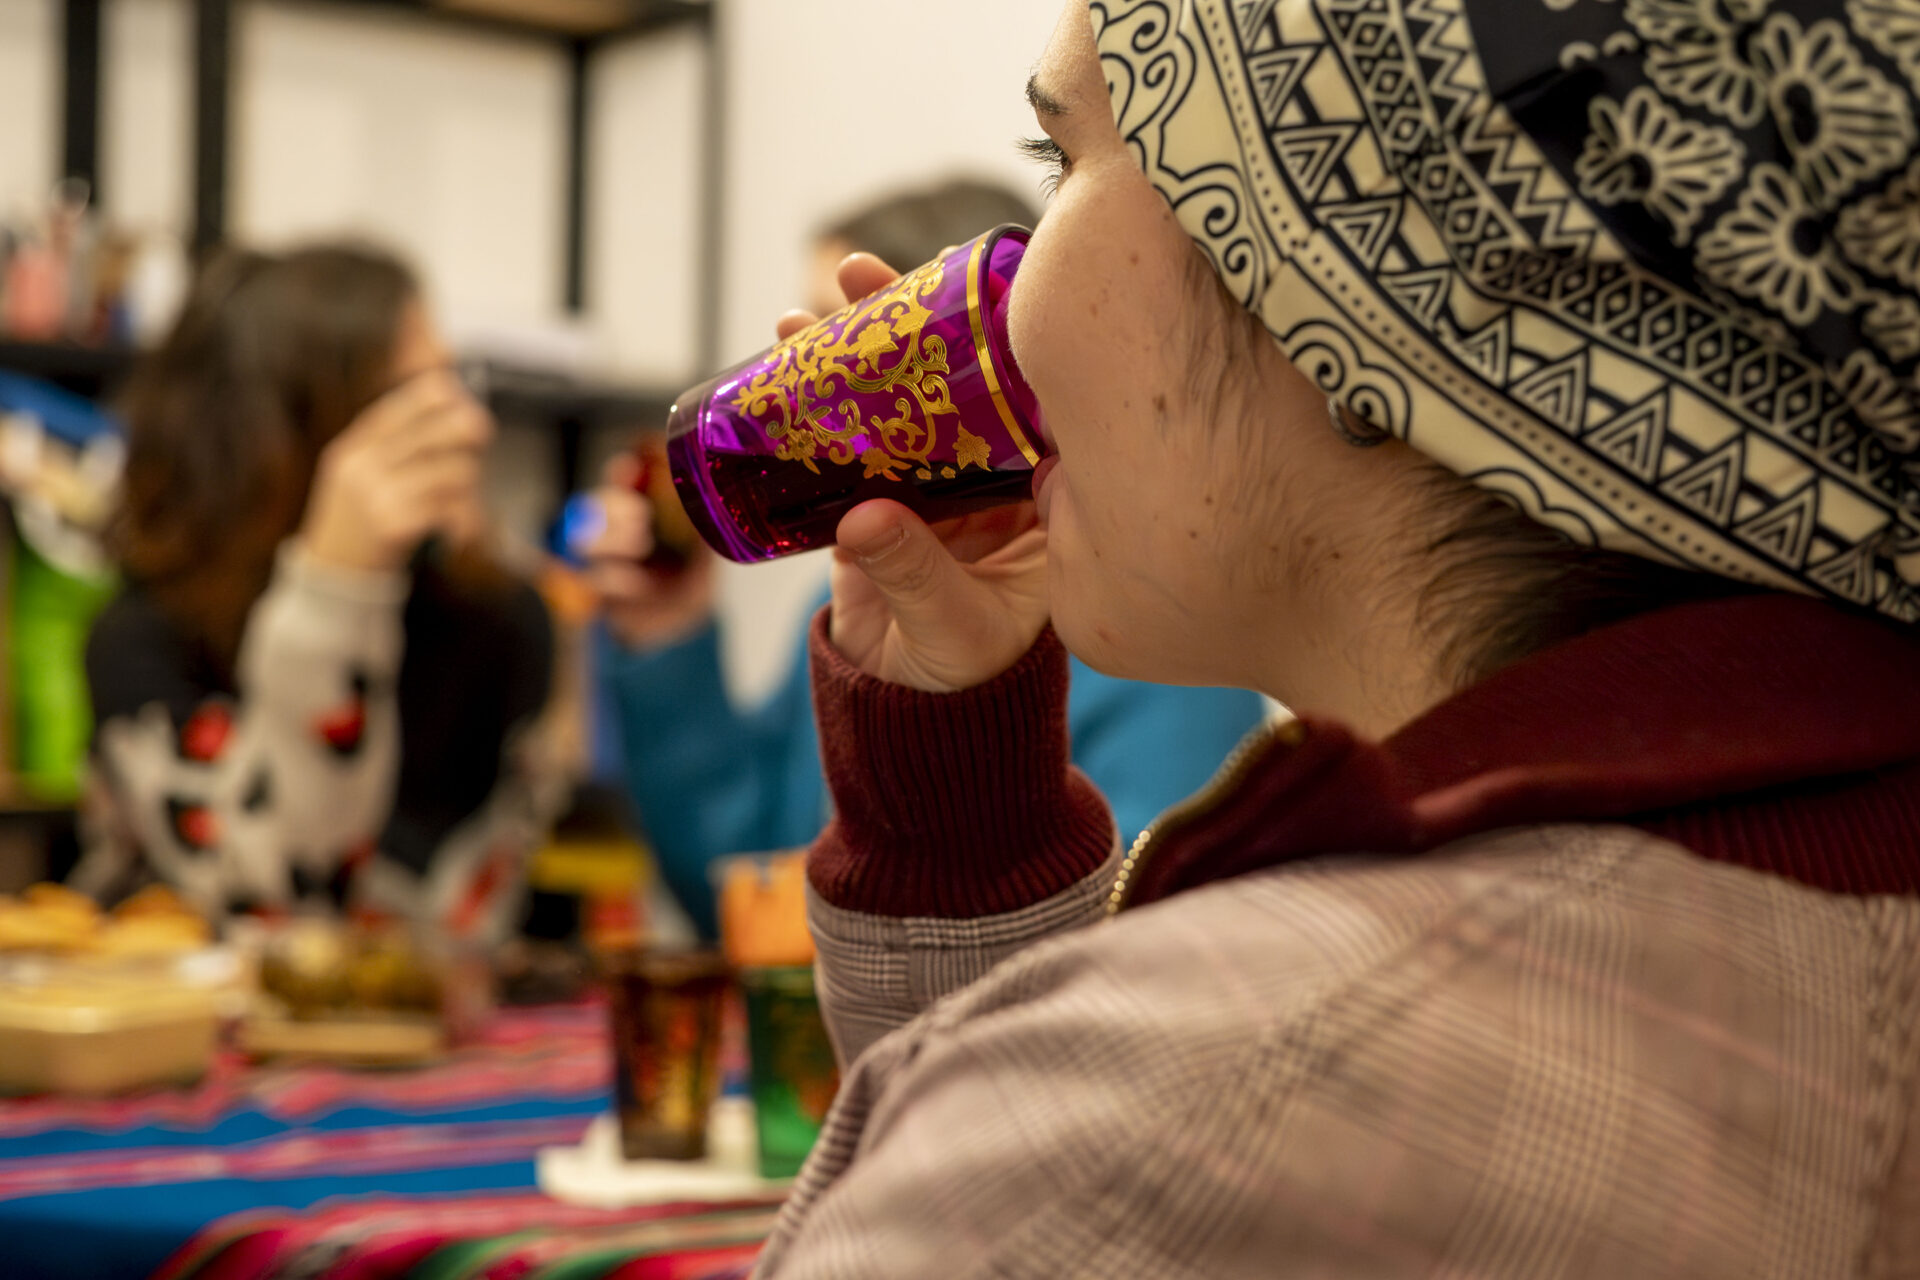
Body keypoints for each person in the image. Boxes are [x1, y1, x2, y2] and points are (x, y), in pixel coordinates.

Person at [609, 0, 1920, 1272]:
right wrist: (964, 834)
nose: (992, 318)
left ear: (1358, 297)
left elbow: (1084, 1174)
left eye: (1060, 164)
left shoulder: (1199, 1112)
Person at [588, 179, 1269, 938]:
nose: (795, 390)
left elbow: (1127, 949)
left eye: (836, 348)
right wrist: (669, 631)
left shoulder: (1157, 641)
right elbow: (747, 894)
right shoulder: (860, 586)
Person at [78, 244, 563, 940]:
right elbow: (278, 903)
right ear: (288, 434)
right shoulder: (143, 641)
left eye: (454, 386)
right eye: (413, 401)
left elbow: (466, 927)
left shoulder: (499, 620)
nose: (471, 427)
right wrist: (336, 593)